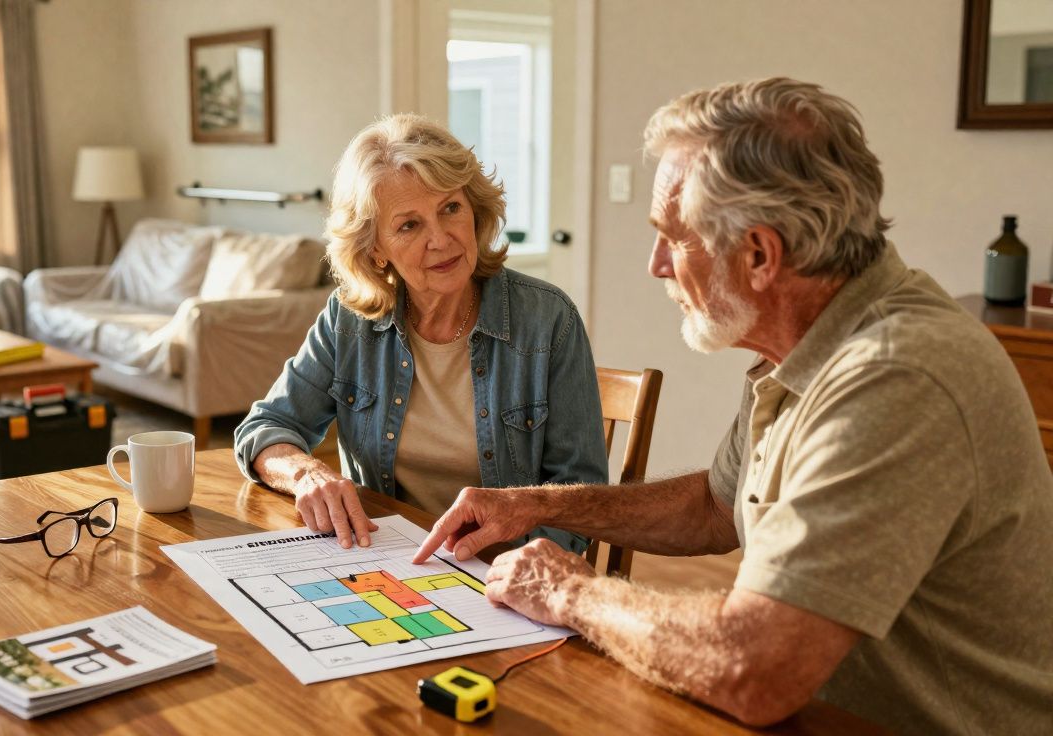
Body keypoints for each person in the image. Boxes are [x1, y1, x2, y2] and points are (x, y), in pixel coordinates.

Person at [414, 78, 1053, 734]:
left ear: (759, 254)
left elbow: (754, 669)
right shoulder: (804, 337)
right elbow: (716, 506)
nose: (657, 265)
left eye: (672, 236)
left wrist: (568, 592)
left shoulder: (895, 378)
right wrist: (539, 505)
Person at [234, 114, 607, 553]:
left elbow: (582, 499)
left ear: (475, 209)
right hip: (385, 560)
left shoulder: (549, 320)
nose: (442, 239)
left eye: (451, 208)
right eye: (409, 225)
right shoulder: (350, 319)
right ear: (375, 249)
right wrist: (305, 474)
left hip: (503, 569)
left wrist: (520, 569)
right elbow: (265, 426)